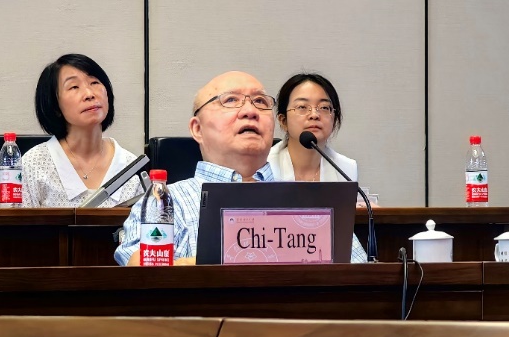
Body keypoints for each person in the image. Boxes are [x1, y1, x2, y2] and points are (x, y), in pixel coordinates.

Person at [115, 70, 368, 266]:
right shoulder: (167, 202)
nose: (250, 111)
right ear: (197, 129)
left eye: (260, 101)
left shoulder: (310, 203)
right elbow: (141, 270)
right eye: (230, 100)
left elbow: (361, 279)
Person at [21, 54, 144, 208]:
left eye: (94, 82)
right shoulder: (34, 164)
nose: (89, 94)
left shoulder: (131, 167)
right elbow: (17, 223)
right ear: (55, 105)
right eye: (74, 87)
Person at [267, 73, 358, 182]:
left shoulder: (346, 169)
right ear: (283, 121)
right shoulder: (263, 167)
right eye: (302, 107)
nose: (314, 115)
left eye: (324, 107)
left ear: (334, 120)